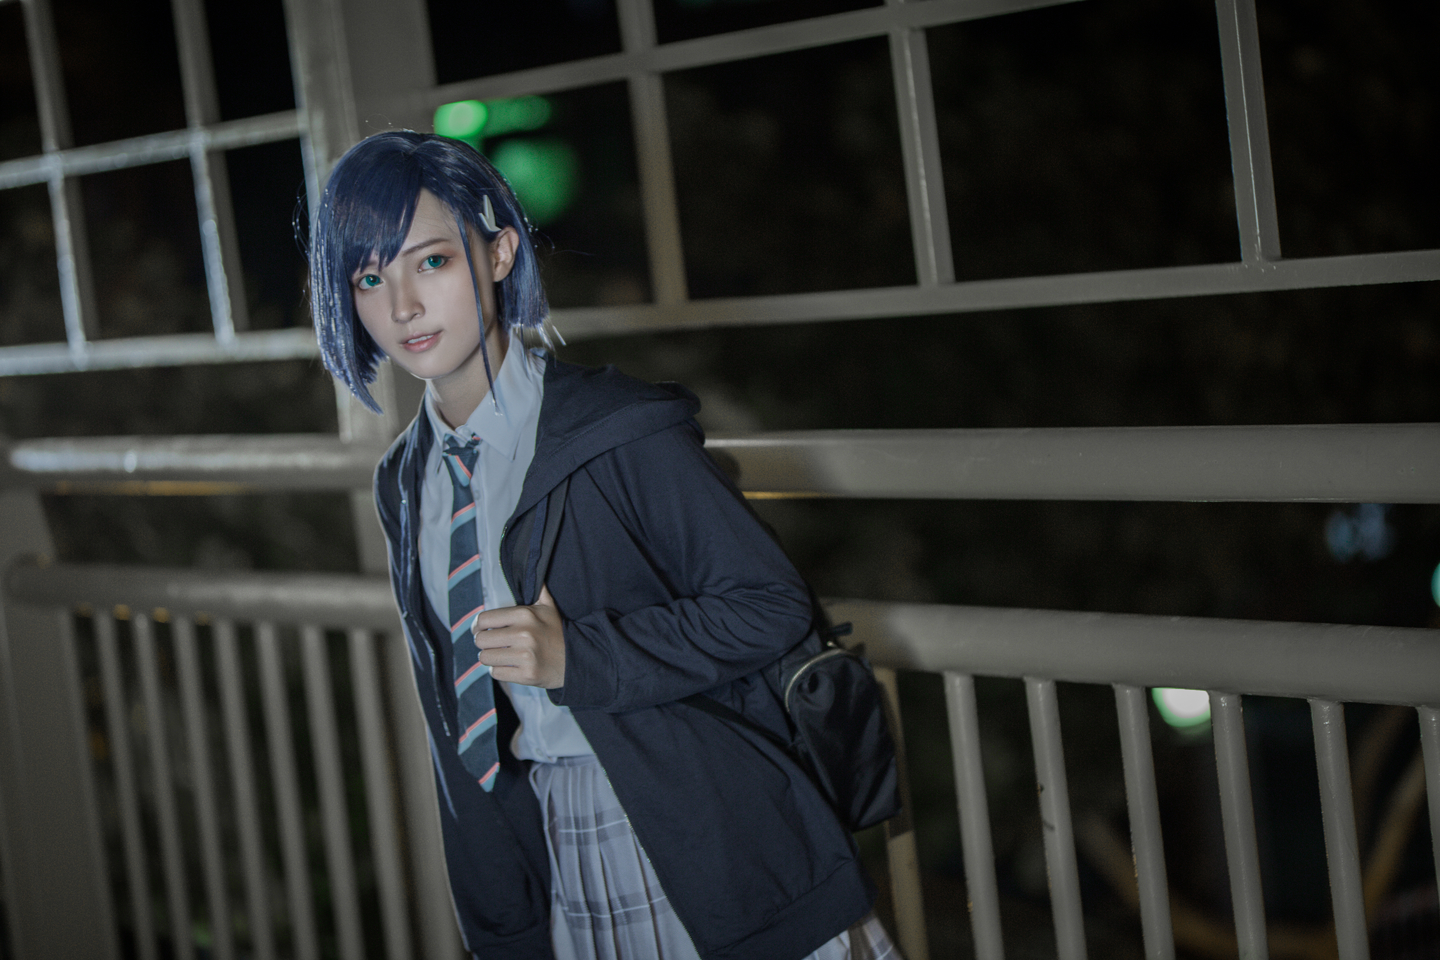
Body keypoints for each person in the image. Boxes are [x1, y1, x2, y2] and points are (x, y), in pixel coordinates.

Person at [309, 130, 897, 960]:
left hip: (704, 828)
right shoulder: (405, 479)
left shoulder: (615, 428)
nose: (402, 305)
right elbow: (457, 726)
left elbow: (770, 606)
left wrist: (579, 656)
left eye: (430, 261)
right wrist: (500, 922)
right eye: (369, 278)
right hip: (563, 839)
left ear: (500, 252)